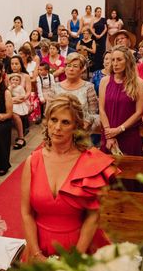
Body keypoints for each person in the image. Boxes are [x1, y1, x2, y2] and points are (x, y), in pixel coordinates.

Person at [20, 94, 117, 260]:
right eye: (53, 120)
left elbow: (93, 216)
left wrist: (76, 256)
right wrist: (36, 253)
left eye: (65, 122)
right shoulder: (33, 161)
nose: (57, 127)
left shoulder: (90, 163)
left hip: (79, 246)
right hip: (38, 247)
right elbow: (26, 212)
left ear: (76, 126)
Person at [99, 46, 143, 156]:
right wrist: (109, 134)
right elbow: (101, 109)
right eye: (113, 60)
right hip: (108, 134)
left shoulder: (138, 83)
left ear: (128, 61)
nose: (115, 63)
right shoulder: (104, 81)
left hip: (128, 135)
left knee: (129, 171)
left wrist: (120, 129)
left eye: (119, 60)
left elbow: (139, 112)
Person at [51, 53, 99, 131]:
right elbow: (49, 112)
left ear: (82, 69)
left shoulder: (88, 87)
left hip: (80, 131)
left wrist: (84, 125)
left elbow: (93, 112)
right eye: (68, 65)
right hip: (58, 130)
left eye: (75, 66)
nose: (71, 69)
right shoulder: (55, 87)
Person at [9, 73, 29, 149]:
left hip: (18, 103)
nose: (15, 81)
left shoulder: (20, 88)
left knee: (15, 114)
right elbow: (8, 95)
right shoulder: (9, 87)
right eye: (13, 80)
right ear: (10, 81)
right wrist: (11, 88)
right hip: (12, 103)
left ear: (19, 82)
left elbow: (23, 96)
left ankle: (21, 137)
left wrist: (15, 99)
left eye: (17, 80)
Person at [91, 6, 108, 72]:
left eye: (100, 11)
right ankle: (95, 68)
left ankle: (102, 67)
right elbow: (91, 28)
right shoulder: (93, 19)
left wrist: (100, 35)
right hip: (95, 37)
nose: (99, 13)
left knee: (102, 51)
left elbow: (105, 28)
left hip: (102, 37)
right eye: (98, 11)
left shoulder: (103, 19)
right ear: (95, 12)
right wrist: (95, 35)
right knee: (95, 52)